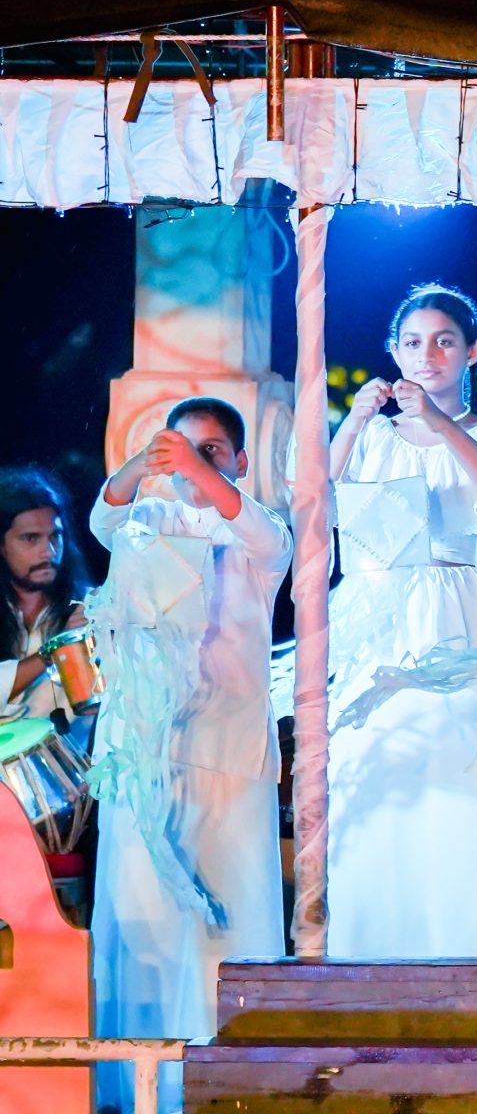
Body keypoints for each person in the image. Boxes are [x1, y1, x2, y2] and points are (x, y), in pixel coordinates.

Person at [321, 284, 477, 958]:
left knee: (460, 792)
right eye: (412, 343)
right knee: (377, 784)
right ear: (392, 351)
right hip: (375, 622)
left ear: (474, 351)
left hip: (460, 616)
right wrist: (354, 422)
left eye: (444, 340)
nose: (428, 355)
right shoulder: (369, 439)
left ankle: (468, 967)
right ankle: (367, 964)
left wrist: (441, 425)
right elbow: (315, 507)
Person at [89, 399, 291, 1114]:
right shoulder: (146, 524)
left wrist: (202, 478)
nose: (198, 463)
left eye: (214, 450)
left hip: (227, 759)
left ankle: (228, 1093)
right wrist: (143, 465)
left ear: (238, 461)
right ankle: (128, 1095)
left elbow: (261, 533)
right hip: (146, 757)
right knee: (141, 927)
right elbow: (102, 520)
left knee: (224, 937)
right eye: (186, 449)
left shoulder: (258, 534)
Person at [0, 466, 91, 727]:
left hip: (78, 764)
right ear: (2, 546)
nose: (49, 551)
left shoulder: (89, 609)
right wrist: (55, 649)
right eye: (31, 539)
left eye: (56, 536)